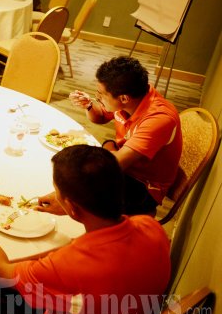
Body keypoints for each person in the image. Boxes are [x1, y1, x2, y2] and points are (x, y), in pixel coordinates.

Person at [0, 145, 171, 314]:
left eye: (58, 192)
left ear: (72, 206)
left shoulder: (68, 265)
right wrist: (73, 207)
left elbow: (2, 272)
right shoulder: (151, 227)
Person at [41, 56, 182, 216]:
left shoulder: (159, 119)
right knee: (87, 163)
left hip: (143, 186)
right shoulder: (134, 96)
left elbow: (114, 166)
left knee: (76, 190)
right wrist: (89, 106)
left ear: (124, 98)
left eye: (101, 94)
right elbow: (100, 117)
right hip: (123, 162)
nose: (97, 97)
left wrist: (64, 196)